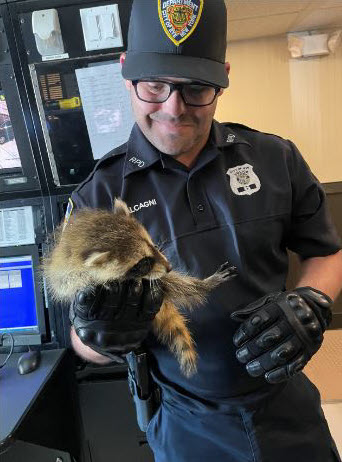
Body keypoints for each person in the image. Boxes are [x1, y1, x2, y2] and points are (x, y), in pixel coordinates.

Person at [67, 0, 342, 460]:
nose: (175, 110)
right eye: (154, 86)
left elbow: (327, 253)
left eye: (197, 88)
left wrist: (310, 300)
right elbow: (80, 343)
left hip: (288, 405)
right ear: (125, 73)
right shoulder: (96, 199)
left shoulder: (275, 158)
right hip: (185, 424)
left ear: (223, 78)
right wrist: (101, 335)